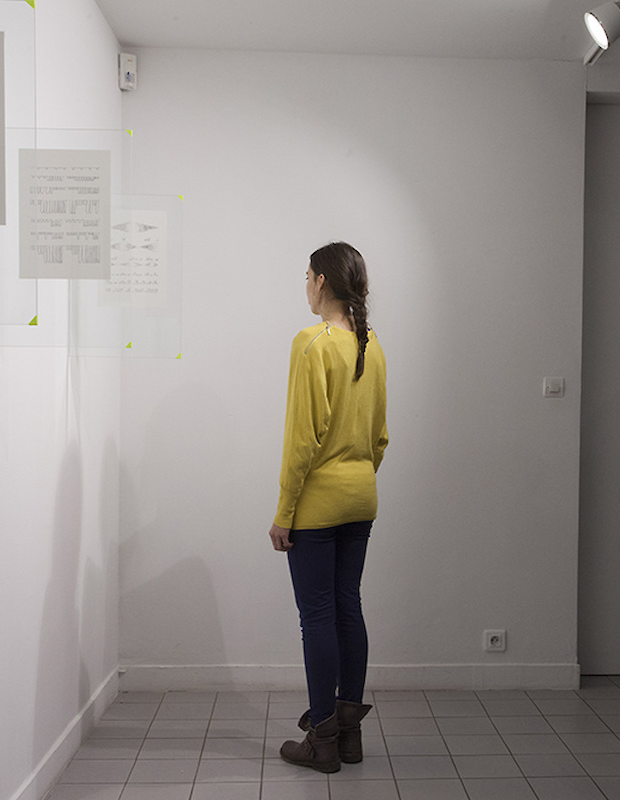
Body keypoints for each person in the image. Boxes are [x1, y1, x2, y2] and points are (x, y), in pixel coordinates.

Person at [268, 242, 388, 773]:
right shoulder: (372, 344)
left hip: (317, 504)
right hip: (362, 498)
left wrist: (284, 511)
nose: (306, 285)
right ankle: (350, 736)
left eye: (307, 276)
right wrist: (356, 480)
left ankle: (320, 738)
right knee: (348, 607)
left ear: (320, 282)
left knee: (316, 615)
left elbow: (301, 441)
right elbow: (380, 438)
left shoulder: (311, 343)